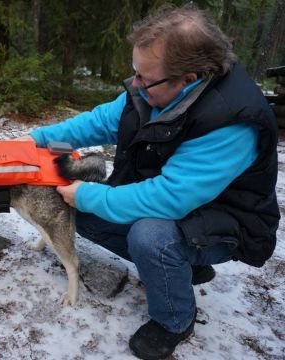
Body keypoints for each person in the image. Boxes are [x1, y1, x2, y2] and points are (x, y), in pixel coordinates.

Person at [17, 6, 279, 360]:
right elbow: (94, 125)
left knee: (151, 237)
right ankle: (187, 266)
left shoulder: (231, 123)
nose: (135, 85)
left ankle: (174, 319)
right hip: (177, 203)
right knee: (77, 211)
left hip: (225, 220)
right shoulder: (150, 91)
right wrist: (34, 141)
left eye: (145, 78)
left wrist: (90, 195)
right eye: (134, 73)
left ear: (191, 77)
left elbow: (171, 199)